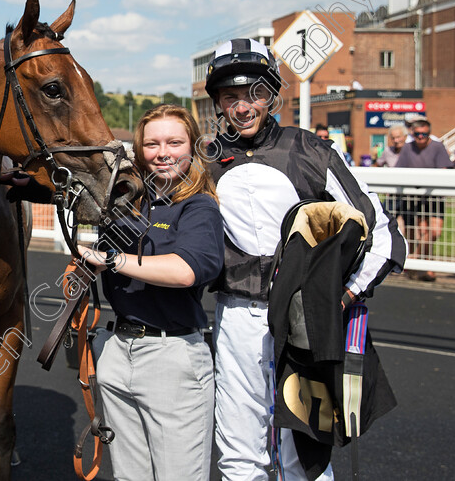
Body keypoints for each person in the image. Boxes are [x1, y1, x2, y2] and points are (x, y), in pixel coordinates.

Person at [204, 38, 407, 481]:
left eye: (255, 93)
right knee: (240, 453)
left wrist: (344, 295)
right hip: (236, 317)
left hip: (301, 322)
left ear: (273, 94)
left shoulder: (312, 151)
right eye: (231, 96)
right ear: (217, 102)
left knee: (305, 455)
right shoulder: (203, 162)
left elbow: (384, 234)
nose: (243, 107)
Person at [82, 104, 225, 480]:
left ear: (193, 146)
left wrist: (111, 260)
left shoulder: (199, 207)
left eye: (174, 142)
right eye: (152, 144)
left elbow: (186, 271)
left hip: (173, 358)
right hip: (117, 352)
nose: (163, 153)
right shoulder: (130, 203)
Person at [395, 118, 452, 282]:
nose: (421, 137)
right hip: (413, 198)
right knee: (417, 233)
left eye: (424, 134)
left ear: (429, 134)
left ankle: (415, 260)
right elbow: (400, 171)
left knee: (434, 232)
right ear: (413, 134)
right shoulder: (407, 148)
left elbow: (445, 169)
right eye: (417, 134)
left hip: (434, 198)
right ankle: (426, 268)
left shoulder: (437, 147)